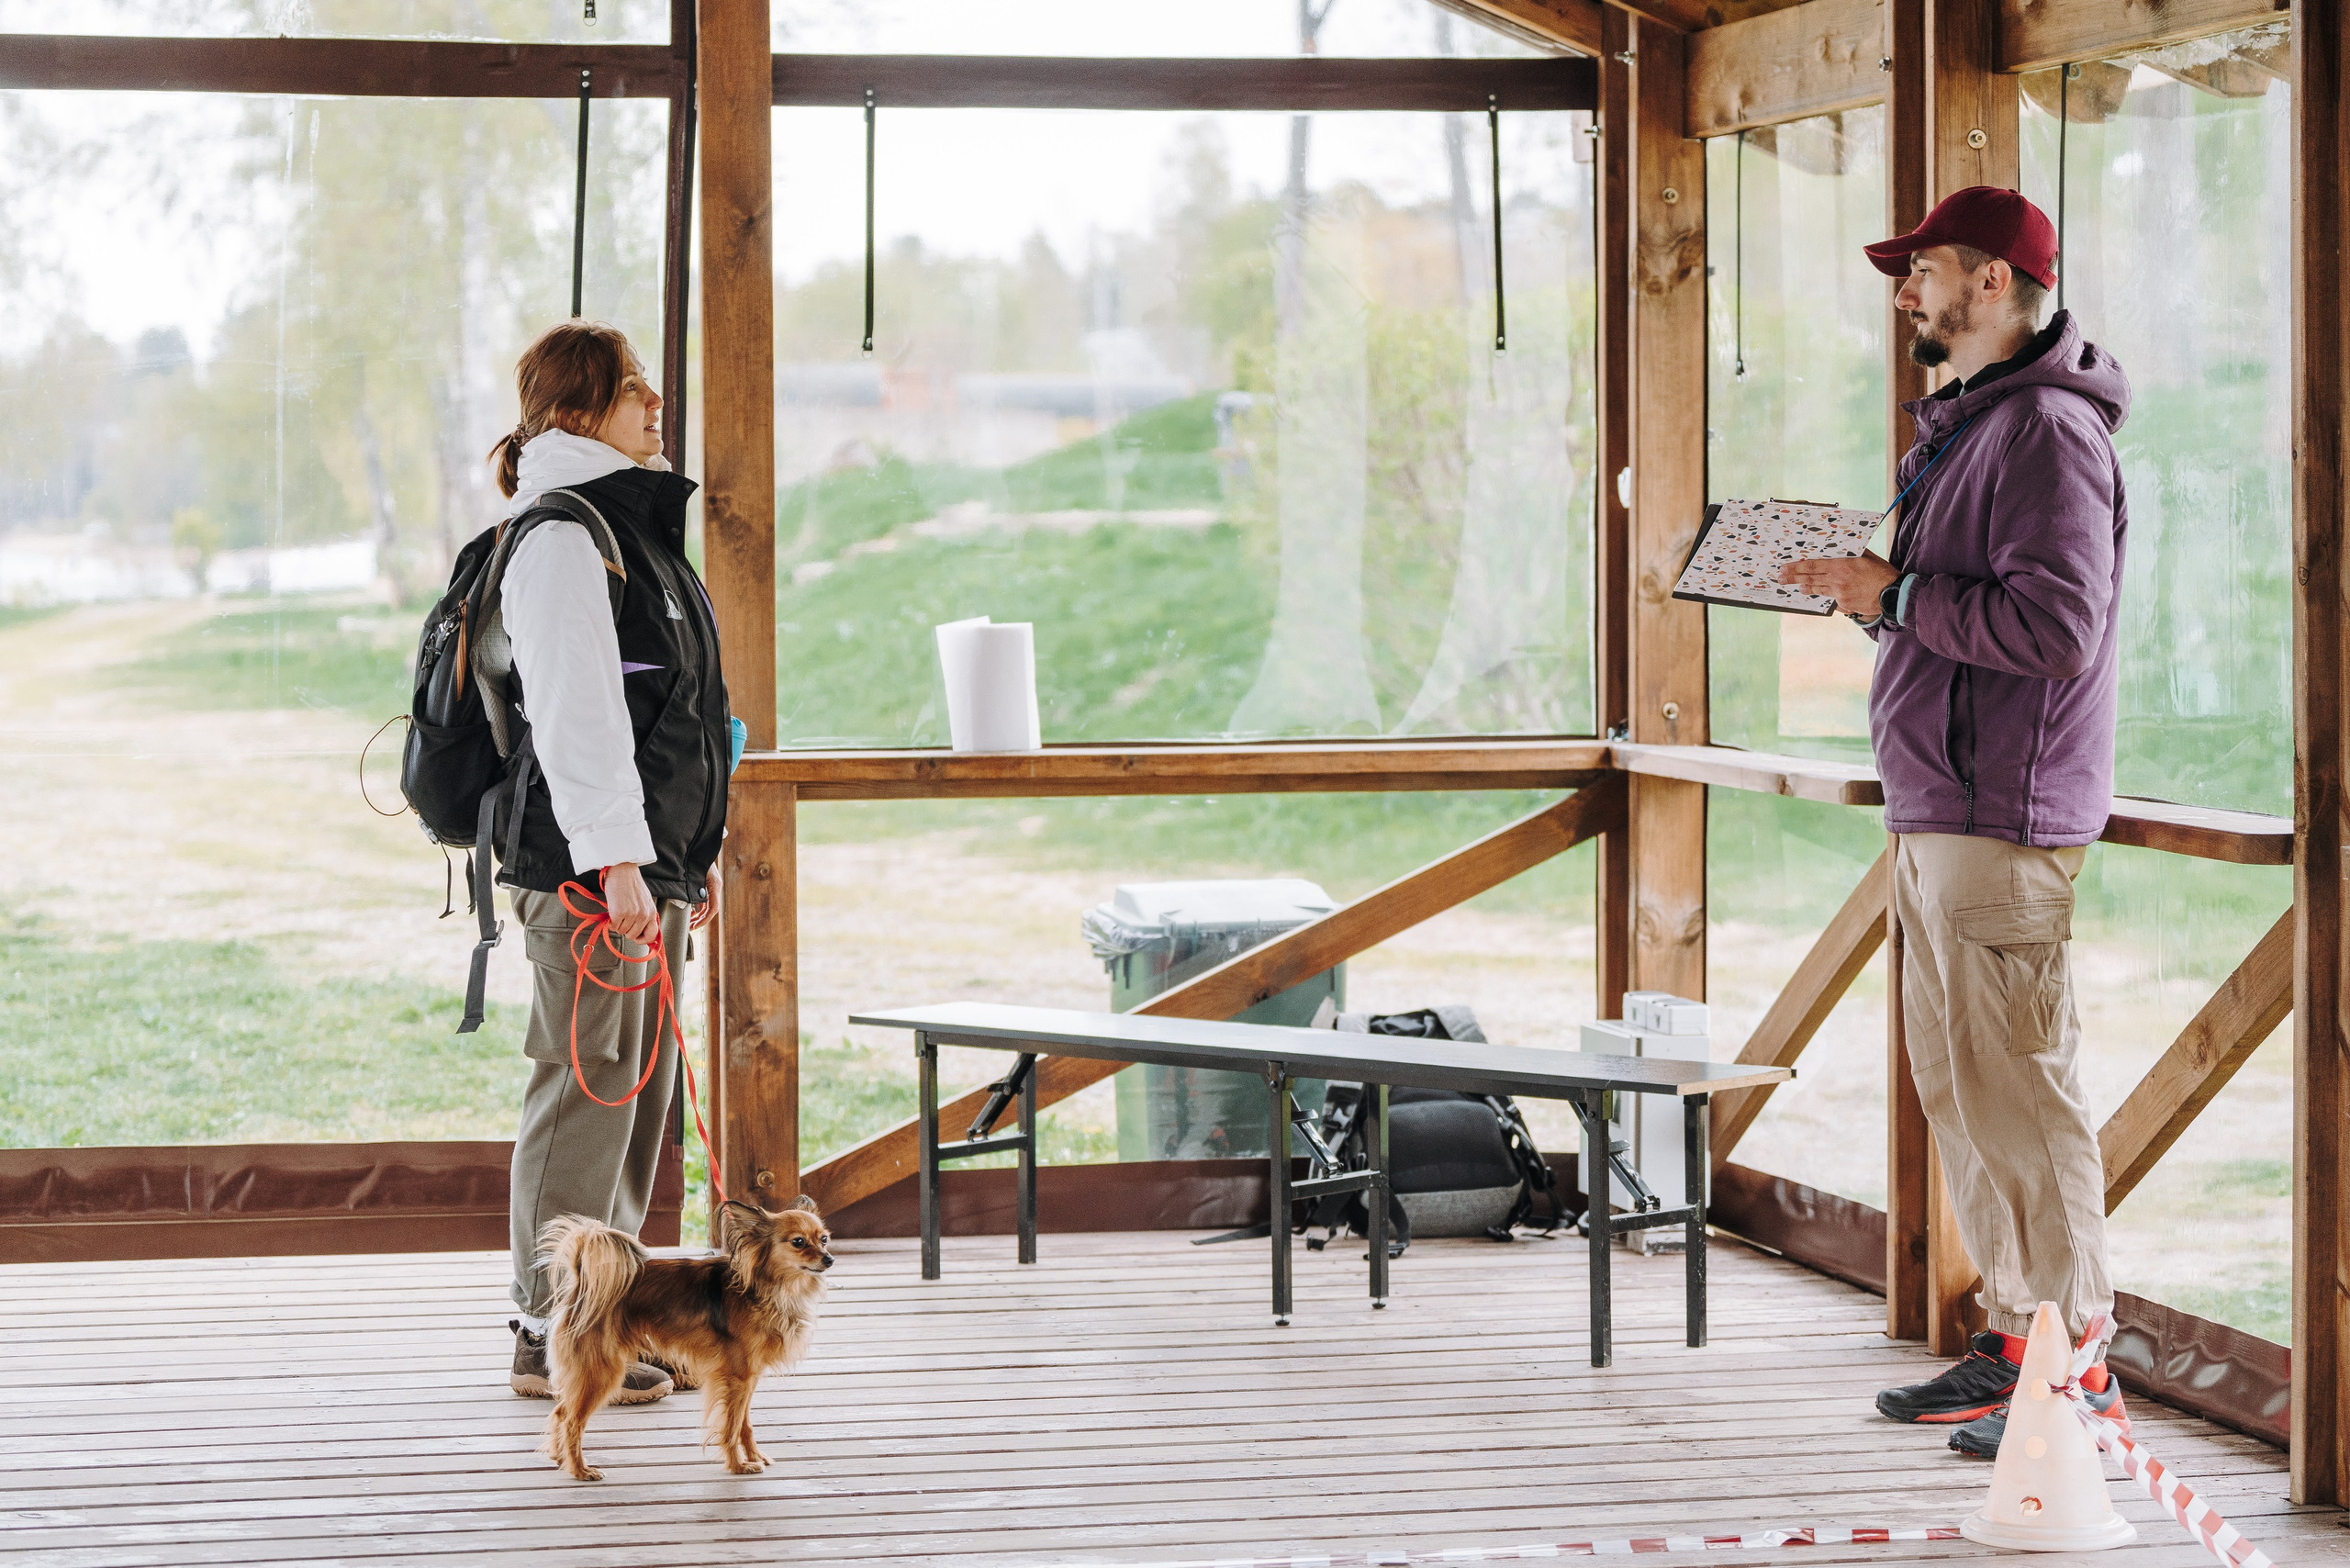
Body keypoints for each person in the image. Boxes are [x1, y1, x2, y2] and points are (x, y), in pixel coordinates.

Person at [1777, 187, 2132, 1459]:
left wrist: (1895, 592)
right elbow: (1950, 609)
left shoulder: (2044, 431)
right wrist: (1873, 598)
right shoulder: (1976, 425)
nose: (1904, 291)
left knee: (2022, 1095)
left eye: (1922, 268)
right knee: (1965, 1092)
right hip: (1941, 810)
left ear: (1993, 281)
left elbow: (2055, 629)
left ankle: (2079, 1372)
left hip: (2001, 815)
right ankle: (2019, 1343)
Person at [485, 321, 731, 1401]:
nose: (655, 402)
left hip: (642, 865)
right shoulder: (561, 536)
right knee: (585, 1099)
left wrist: (685, 855)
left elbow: (672, 713)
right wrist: (620, 861)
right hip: (591, 873)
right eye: (634, 388)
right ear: (579, 412)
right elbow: (576, 714)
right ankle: (549, 1328)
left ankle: (606, 1323)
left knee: (632, 1106)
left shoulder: (631, 528)